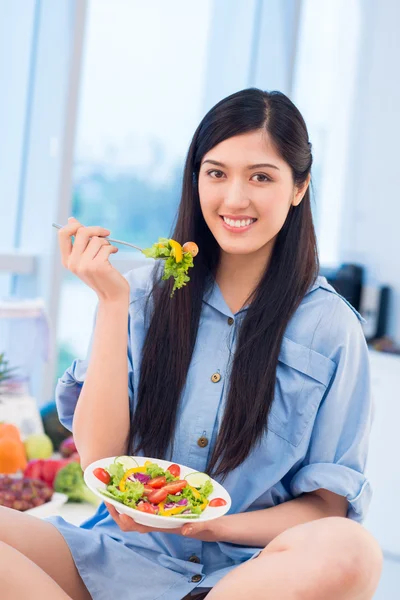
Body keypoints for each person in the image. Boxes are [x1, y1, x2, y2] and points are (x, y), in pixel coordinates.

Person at [0, 88, 382, 600]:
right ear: (196, 177)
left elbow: (326, 507)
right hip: (119, 556)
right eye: (216, 173)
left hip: (246, 577)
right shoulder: (139, 294)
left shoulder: (332, 328)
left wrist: (210, 526)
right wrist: (112, 306)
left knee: (351, 548)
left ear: (299, 187)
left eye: (261, 177)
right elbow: (102, 462)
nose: (234, 199)